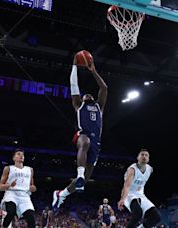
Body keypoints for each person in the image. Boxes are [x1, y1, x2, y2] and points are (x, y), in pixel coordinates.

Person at [52, 53, 108, 211]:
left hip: (96, 143)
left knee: (81, 181)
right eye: (85, 94)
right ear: (81, 99)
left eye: (90, 94)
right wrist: (75, 66)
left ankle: (61, 194)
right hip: (82, 136)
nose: (88, 94)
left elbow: (104, 88)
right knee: (86, 142)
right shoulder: (78, 104)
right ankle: (81, 172)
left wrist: (93, 70)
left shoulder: (99, 107)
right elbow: (73, 84)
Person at [118, 149, 161, 228]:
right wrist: (122, 199)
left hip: (141, 195)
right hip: (129, 194)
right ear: (138, 157)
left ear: (148, 159)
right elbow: (126, 186)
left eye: (146, 155)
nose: (144, 156)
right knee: (138, 213)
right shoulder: (132, 169)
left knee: (156, 217)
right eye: (142, 154)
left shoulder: (150, 169)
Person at [0, 148, 37, 228]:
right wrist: (9, 185)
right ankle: (4, 226)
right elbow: (1, 187)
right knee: (11, 212)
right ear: (14, 158)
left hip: (25, 196)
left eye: (22, 154)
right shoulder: (8, 168)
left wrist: (33, 188)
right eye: (18, 154)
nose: (21, 156)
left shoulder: (30, 170)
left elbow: (32, 186)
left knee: (31, 219)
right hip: (11, 194)